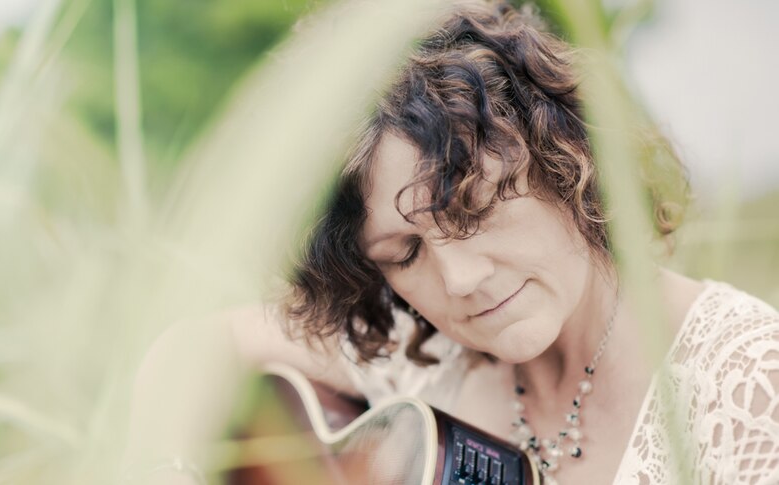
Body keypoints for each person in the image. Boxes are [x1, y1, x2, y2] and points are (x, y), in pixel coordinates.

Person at [124, 1, 779, 484]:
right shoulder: (424, 354)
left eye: (478, 206)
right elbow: (188, 350)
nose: (460, 279)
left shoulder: (748, 387)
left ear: (569, 152)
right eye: (404, 253)